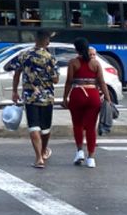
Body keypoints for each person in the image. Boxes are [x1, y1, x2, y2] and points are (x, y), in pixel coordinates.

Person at [7, 29, 60, 169]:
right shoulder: (50, 58)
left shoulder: (24, 55)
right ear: (47, 41)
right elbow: (55, 79)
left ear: (36, 39)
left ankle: (38, 158)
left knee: (33, 127)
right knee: (46, 128)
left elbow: (14, 71)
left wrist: (14, 91)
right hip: (47, 97)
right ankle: (43, 152)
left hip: (30, 97)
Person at [62, 37, 110, 168]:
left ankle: (79, 151)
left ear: (76, 49)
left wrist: (65, 97)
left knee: (77, 125)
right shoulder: (96, 63)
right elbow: (101, 82)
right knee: (90, 127)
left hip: (77, 94)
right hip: (93, 95)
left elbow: (69, 82)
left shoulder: (73, 62)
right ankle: (91, 158)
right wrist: (108, 99)